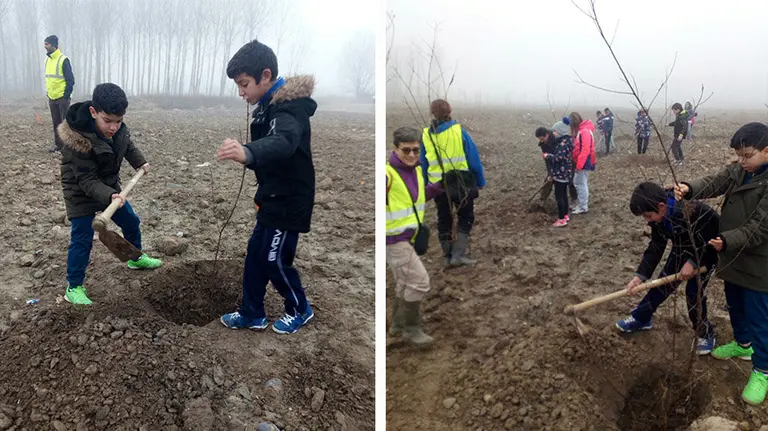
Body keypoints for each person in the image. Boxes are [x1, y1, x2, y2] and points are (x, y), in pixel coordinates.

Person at [217, 39, 317, 335]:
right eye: (237, 85)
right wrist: (249, 157)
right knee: (256, 253)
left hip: (289, 200)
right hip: (271, 197)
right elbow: (269, 155)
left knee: (274, 258)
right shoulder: (265, 107)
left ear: (266, 75)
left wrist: (248, 152)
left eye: (244, 84)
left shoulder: (289, 109)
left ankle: (300, 308)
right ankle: (252, 313)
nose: (241, 92)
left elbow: (284, 143)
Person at [674, 122, 768, 405]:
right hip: (733, 254)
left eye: (747, 155)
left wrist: (726, 241)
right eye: (739, 155)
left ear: (767, 151)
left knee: (759, 318)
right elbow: (716, 182)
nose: (742, 161)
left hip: (758, 262)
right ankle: (742, 345)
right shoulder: (741, 171)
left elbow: (760, 228)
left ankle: (763, 371)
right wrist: (690, 188)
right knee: (735, 304)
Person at [58, 83, 162, 305]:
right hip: (80, 192)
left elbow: (126, 144)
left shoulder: (117, 128)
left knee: (131, 221)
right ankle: (73, 286)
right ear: (93, 112)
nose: (114, 127)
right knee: (82, 238)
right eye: (108, 121)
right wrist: (109, 196)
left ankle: (135, 258)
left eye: (119, 120)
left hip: (108, 188)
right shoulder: (77, 139)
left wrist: (140, 162)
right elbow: (86, 180)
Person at [616, 182, 719, 355]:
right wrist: (641, 275)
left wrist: (693, 262)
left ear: (661, 207)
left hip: (707, 250)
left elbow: (710, 238)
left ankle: (704, 333)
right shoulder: (658, 218)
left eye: (648, 216)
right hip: (681, 249)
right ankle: (642, 318)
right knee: (662, 283)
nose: (647, 221)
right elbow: (656, 246)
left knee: (694, 293)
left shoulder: (693, 211)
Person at [386, 127, 443, 347]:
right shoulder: (387, 174)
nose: (411, 155)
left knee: (404, 283)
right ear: (395, 149)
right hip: (393, 239)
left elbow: (414, 199)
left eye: (416, 150)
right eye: (406, 150)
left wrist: (438, 188)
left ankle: (398, 325)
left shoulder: (416, 171)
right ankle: (411, 329)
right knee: (419, 282)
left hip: (407, 237)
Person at [420, 99, 486, 267]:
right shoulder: (458, 131)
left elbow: (423, 163)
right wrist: (480, 181)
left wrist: (427, 185)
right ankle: (458, 255)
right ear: (449, 111)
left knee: (444, 218)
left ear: (432, 113)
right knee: (466, 216)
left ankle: (448, 256)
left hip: (437, 187)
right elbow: (473, 159)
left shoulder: (426, 135)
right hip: (461, 183)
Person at [535, 120, 574, 227]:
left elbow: (558, 158)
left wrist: (548, 156)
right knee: (563, 195)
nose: (554, 133)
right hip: (561, 172)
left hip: (561, 173)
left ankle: (561, 219)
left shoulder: (563, 143)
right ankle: (565, 215)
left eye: (555, 131)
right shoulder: (564, 141)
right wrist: (551, 173)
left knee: (559, 196)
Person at [44, 35, 75, 153]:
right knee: (56, 123)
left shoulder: (63, 60)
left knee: (65, 124)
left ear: (53, 45)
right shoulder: (47, 60)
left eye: (47, 44)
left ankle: (68, 148)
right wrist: (49, 93)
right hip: (52, 97)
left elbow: (70, 80)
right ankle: (58, 145)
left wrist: (66, 95)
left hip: (62, 97)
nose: (45, 46)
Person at [569, 112, 596, 214]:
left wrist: (579, 165)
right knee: (579, 182)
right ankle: (581, 204)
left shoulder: (584, 131)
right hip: (583, 161)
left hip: (584, 162)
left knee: (580, 183)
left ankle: (583, 206)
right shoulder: (583, 130)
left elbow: (585, 150)